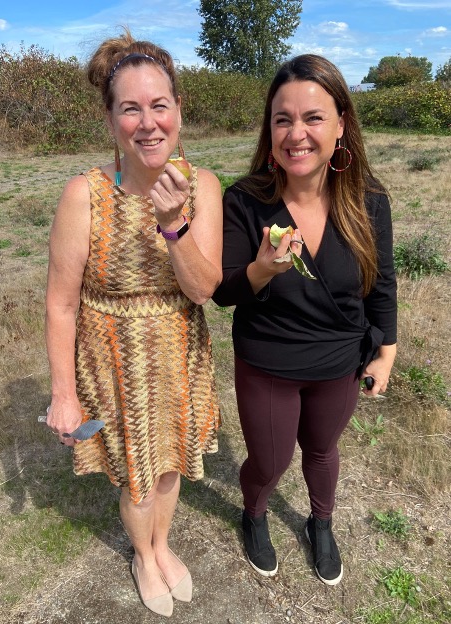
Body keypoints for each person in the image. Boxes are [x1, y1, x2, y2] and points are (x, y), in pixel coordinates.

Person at [45, 29, 222, 617]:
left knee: (169, 462)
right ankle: (143, 557)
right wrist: (64, 396)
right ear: (110, 120)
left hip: (178, 351)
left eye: (159, 105)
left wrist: (173, 226)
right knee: (132, 472)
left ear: (178, 112)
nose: (148, 123)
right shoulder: (84, 195)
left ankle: (162, 545)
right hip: (111, 358)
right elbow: (61, 304)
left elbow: (202, 289)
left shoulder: (203, 187)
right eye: (130, 108)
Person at [212, 54, 397, 586]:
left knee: (322, 449)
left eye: (313, 117)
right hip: (268, 361)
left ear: (341, 124)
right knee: (268, 463)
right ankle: (254, 513)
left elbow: (381, 283)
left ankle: (321, 523)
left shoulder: (369, 201)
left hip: (339, 361)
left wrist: (386, 352)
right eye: (282, 119)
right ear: (269, 129)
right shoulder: (245, 202)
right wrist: (261, 271)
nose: (297, 133)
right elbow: (225, 292)